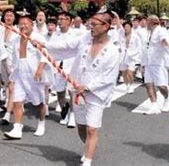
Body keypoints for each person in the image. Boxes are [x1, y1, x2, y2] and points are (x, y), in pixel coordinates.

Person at [43, 12, 120, 166]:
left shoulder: (112, 50)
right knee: (81, 127)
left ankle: (88, 161)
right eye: (89, 24)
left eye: (94, 24)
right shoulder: (85, 39)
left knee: (92, 128)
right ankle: (89, 148)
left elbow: (108, 77)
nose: (90, 27)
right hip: (77, 89)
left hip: (97, 93)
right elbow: (65, 46)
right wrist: (43, 44)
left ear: (106, 26)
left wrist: (88, 87)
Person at [3, 16, 48, 139]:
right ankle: (17, 128)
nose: (23, 26)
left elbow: (46, 53)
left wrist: (40, 68)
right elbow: (12, 57)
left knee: (39, 102)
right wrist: (12, 74)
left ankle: (41, 122)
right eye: (20, 24)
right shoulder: (16, 40)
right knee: (17, 101)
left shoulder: (38, 38)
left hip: (34, 73)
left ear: (32, 25)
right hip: (19, 73)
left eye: (26, 24)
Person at [143, 15, 169, 115]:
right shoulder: (147, 32)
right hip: (148, 62)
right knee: (148, 84)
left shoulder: (161, 31)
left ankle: (167, 98)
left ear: (153, 21)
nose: (146, 23)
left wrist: (166, 43)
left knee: (161, 86)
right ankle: (154, 106)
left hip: (158, 63)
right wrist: (142, 64)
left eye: (147, 21)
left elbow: (164, 40)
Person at [118, 21, 142, 94]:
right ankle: (127, 85)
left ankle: (131, 86)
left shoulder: (135, 37)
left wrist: (134, 55)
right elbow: (118, 44)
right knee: (124, 73)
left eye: (128, 27)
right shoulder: (121, 35)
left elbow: (139, 47)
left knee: (130, 72)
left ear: (131, 28)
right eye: (125, 27)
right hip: (122, 56)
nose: (126, 28)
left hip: (131, 57)